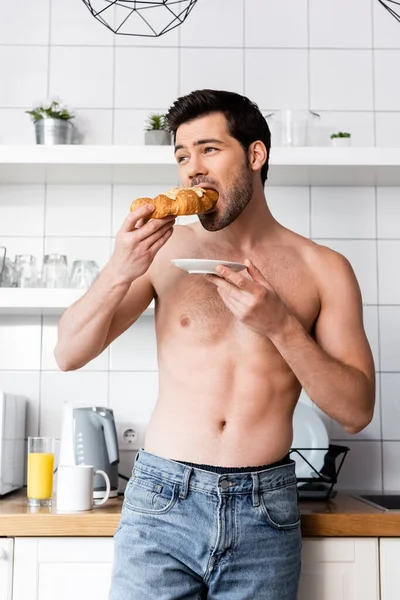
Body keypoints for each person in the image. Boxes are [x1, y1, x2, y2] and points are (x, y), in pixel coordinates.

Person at [54, 89, 375, 600]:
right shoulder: (162, 252)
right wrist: (120, 269)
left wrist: (282, 327)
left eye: (208, 149)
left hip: (264, 510)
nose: (191, 170)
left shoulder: (324, 269)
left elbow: (356, 410)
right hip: (161, 502)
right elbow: (67, 353)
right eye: (181, 155)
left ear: (254, 155)